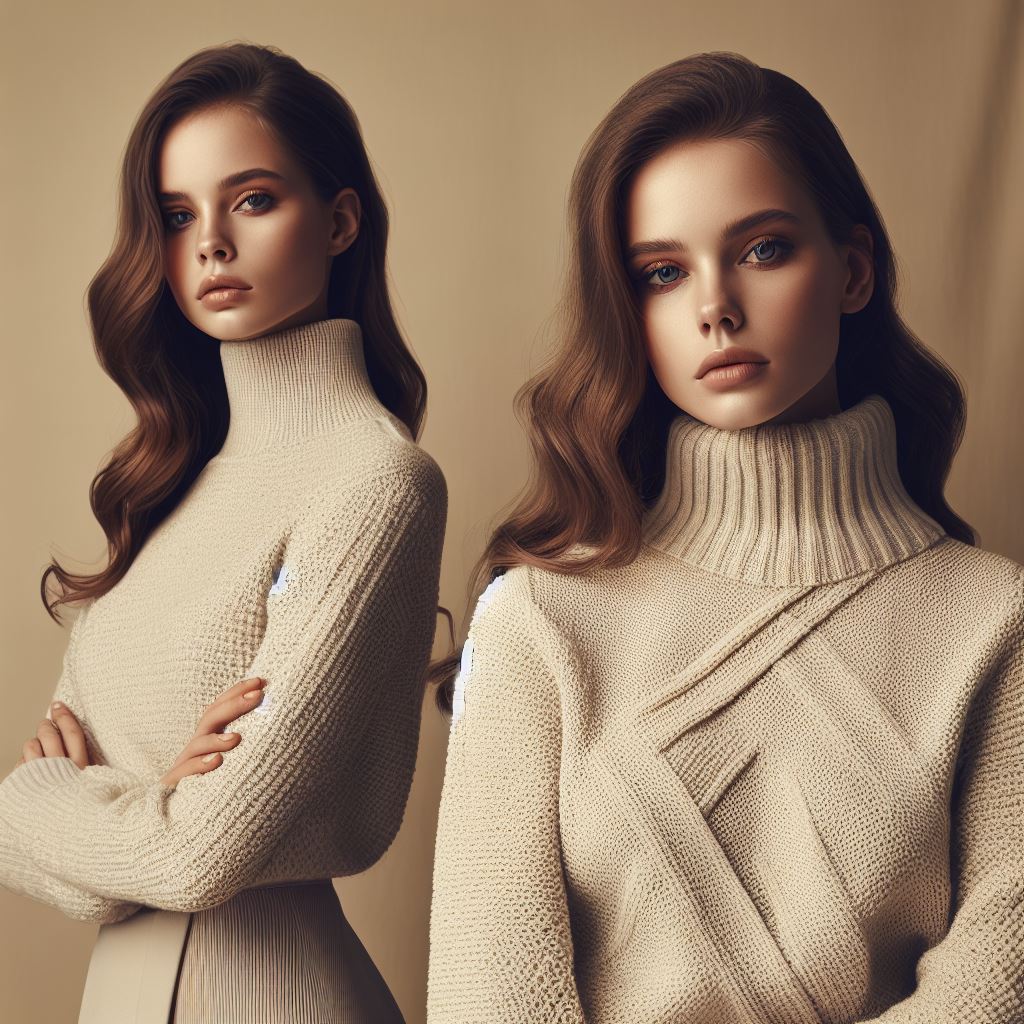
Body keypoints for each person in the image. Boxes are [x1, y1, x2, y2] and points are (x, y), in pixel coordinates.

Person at [425, 51, 1022, 1023]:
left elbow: (1002, 973)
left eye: (762, 249)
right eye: (661, 272)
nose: (714, 306)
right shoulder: (536, 617)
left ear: (853, 271)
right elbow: (487, 999)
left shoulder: (992, 618)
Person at [0, 42, 447, 1024]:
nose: (209, 243)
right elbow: (25, 823)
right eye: (176, 215)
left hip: (269, 992)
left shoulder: (373, 482)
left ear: (338, 221)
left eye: (251, 200)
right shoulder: (170, 485)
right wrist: (144, 804)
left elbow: (197, 853)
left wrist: (54, 804)